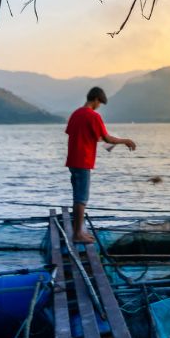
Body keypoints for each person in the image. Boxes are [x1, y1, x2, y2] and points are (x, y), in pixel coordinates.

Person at [65, 86, 136, 243]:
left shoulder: (76, 113)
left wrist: (98, 139)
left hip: (72, 160)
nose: (99, 107)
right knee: (82, 198)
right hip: (83, 161)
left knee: (77, 197)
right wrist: (125, 141)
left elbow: (77, 134)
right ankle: (77, 234)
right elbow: (107, 138)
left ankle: (78, 232)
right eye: (100, 103)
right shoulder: (93, 116)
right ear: (96, 99)